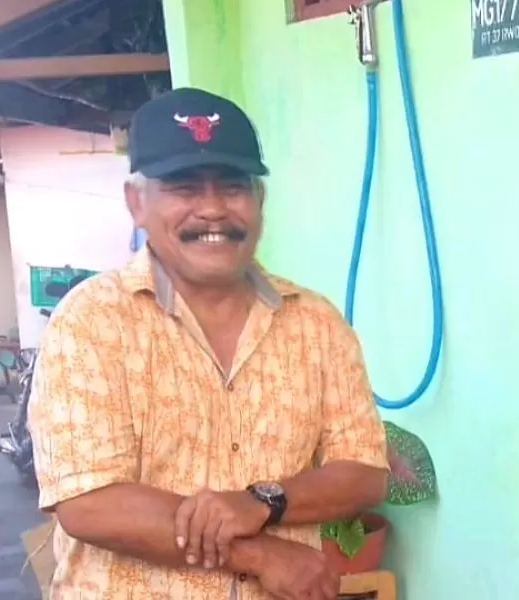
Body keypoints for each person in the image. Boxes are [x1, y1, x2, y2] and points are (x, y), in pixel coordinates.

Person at [28, 87, 390, 599]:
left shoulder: (317, 324)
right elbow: (87, 500)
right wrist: (259, 553)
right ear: (137, 202)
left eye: (233, 186)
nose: (214, 209)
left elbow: (365, 473)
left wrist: (265, 501)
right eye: (184, 187)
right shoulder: (91, 323)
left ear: (259, 202)